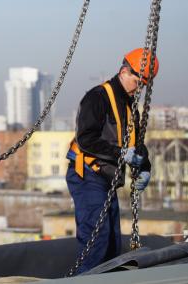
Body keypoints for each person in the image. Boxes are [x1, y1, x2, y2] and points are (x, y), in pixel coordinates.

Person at [66, 48, 159, 274]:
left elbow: (137, 144)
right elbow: (86, 139)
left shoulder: (129, 105)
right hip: (88, 175)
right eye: (138, 82)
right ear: (125, 71)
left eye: (144, 85)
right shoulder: (97, 97)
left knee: (111, 246)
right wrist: (120, 153)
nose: (140, 88)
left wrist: (145, 168)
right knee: (96, 242)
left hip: (107, 179)